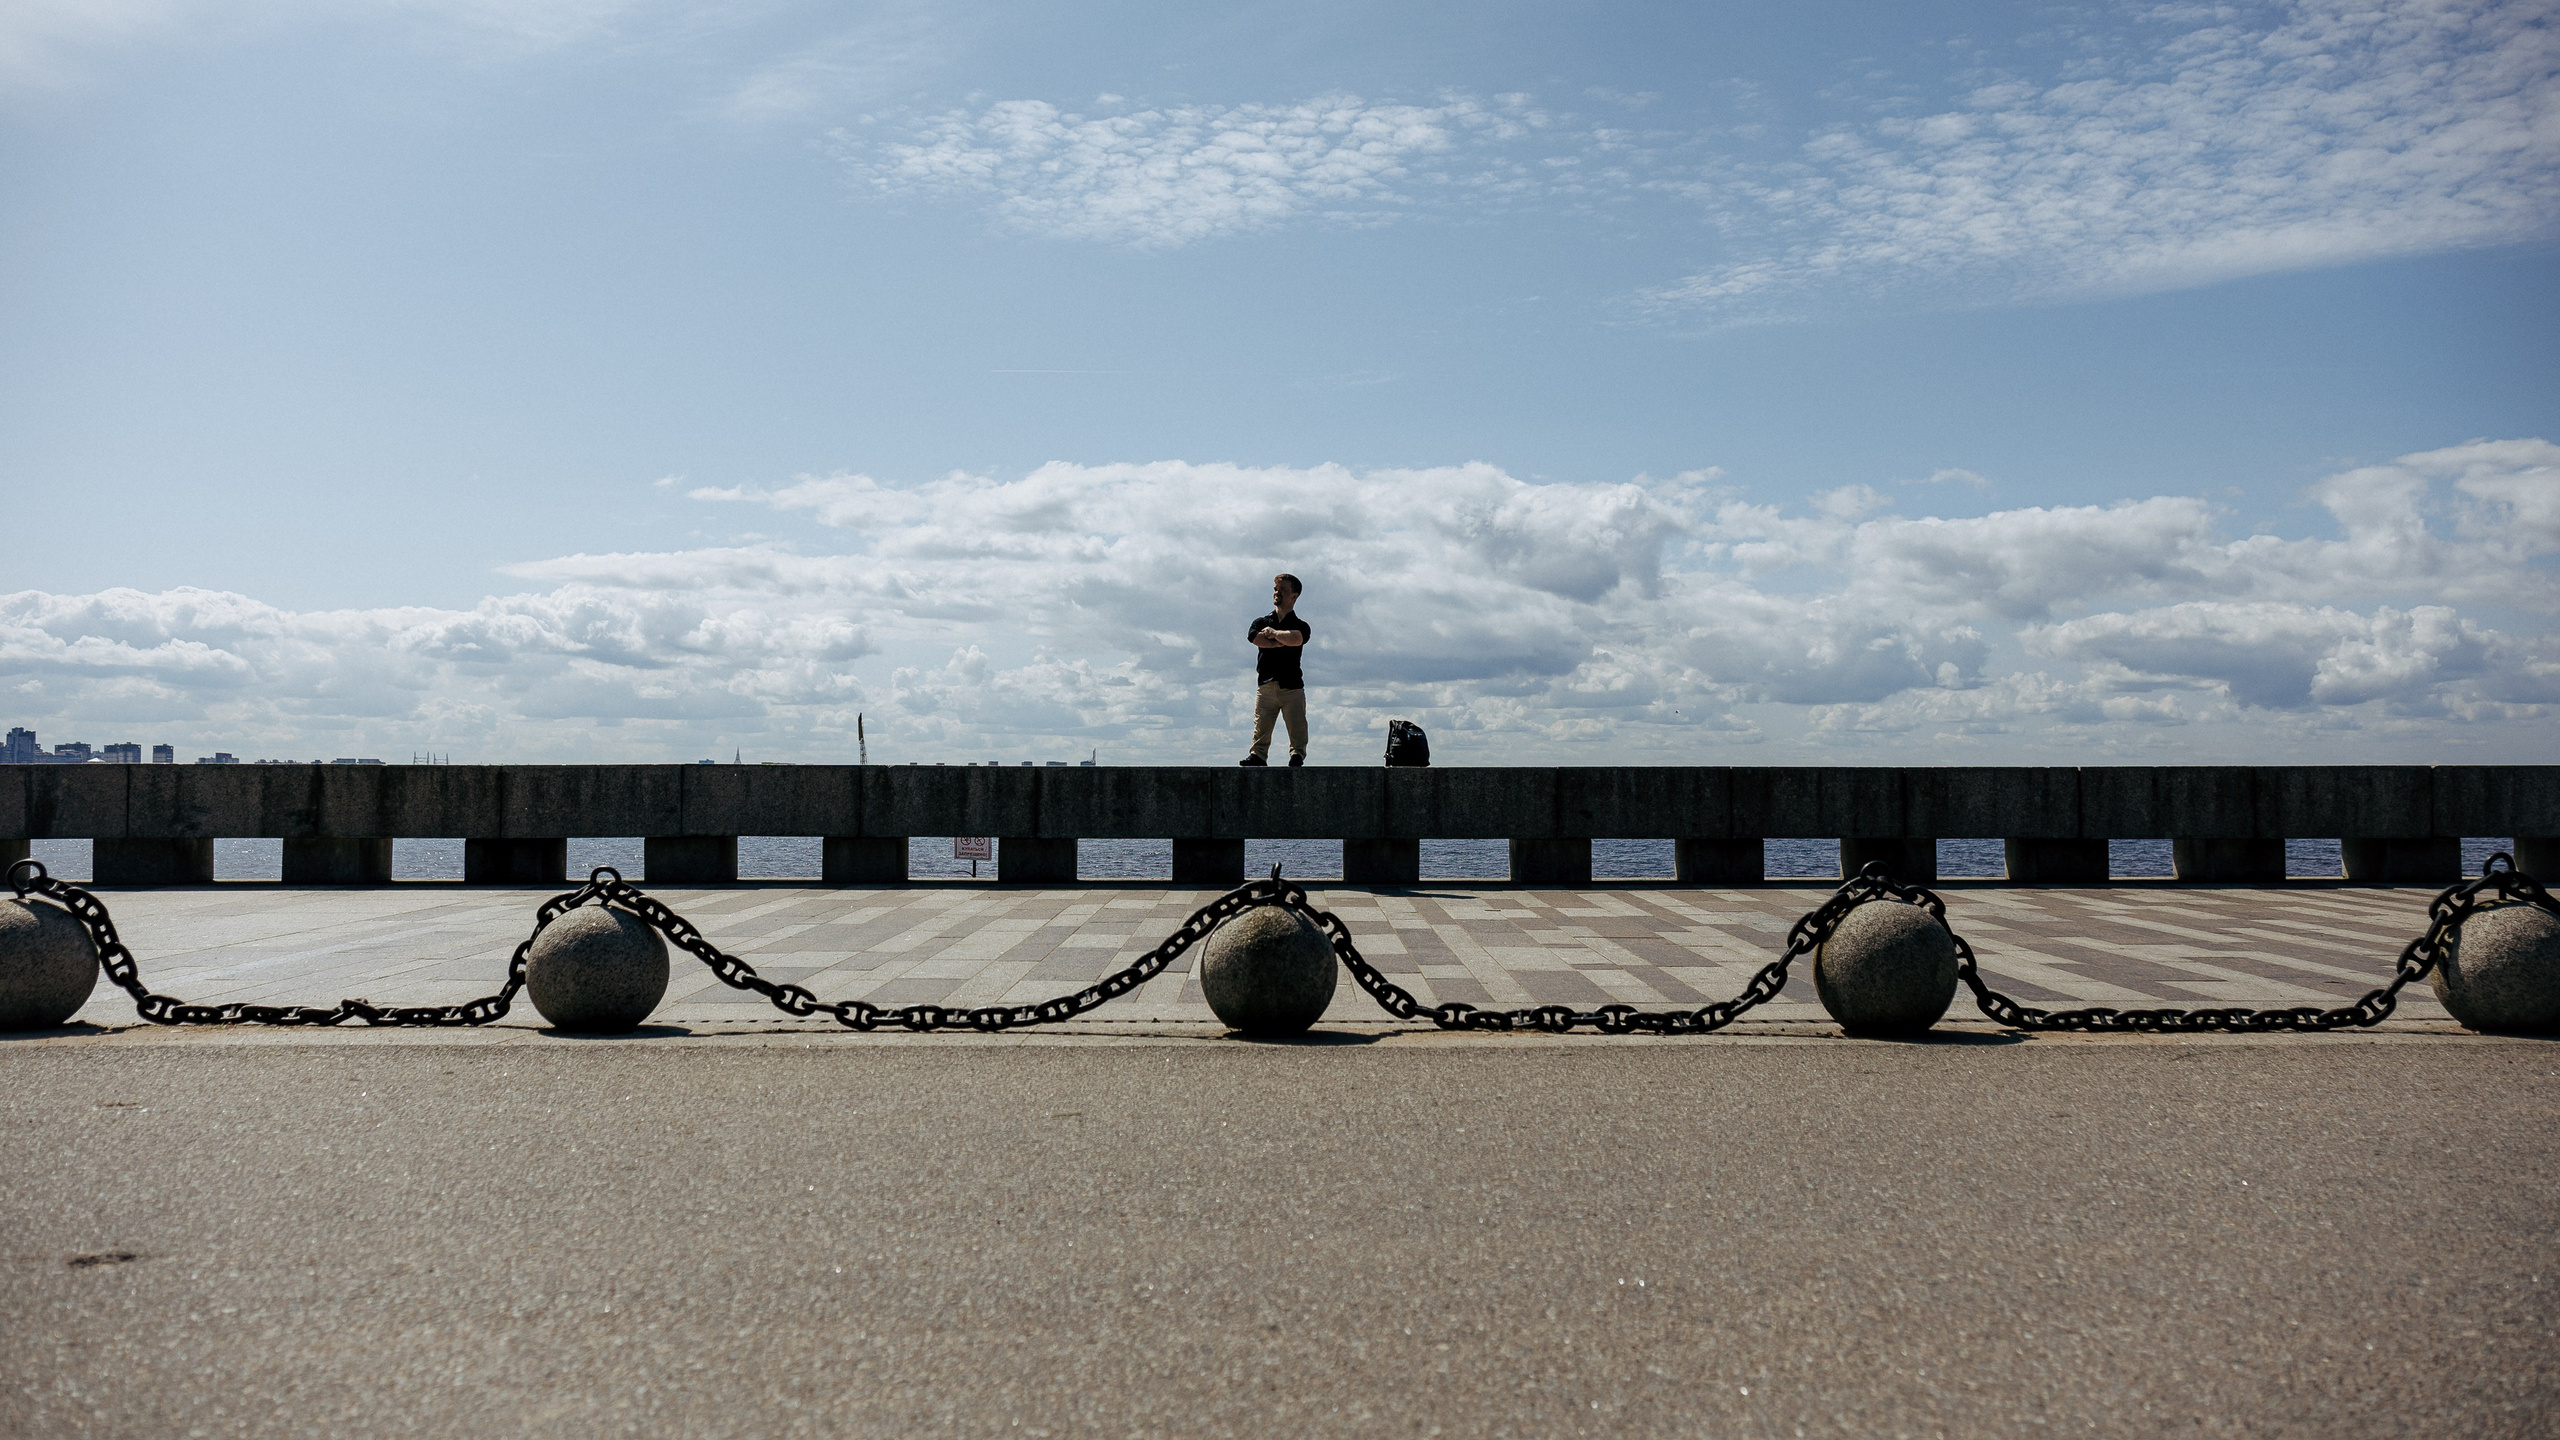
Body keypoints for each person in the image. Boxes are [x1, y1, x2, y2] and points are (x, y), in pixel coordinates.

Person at [1241, 573, 1310, 767]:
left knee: (1297, 725)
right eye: (1276, 589)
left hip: (1292, 686)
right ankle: (1258, 755)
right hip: (1266, 684)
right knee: (1261, 725)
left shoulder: (1301, 625)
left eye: (1283, 590)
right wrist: (1280, 641)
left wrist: (1273, 634)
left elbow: (1297, 639)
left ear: (1294, 596)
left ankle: (1297, 755)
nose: (1277, 593)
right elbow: (1255, 638)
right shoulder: (1261, 622)